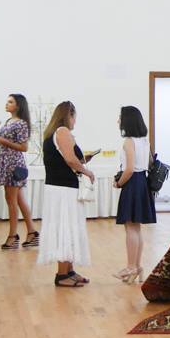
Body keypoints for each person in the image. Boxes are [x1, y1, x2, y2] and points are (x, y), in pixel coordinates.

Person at [39, 101, 95, 288]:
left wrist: (83, 161)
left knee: (69, 227)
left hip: (60, 188)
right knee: (66, 228)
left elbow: (66, 159)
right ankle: (62, 274)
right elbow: (70, 160)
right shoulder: (62, 131)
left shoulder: (54, 133)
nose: (75, 122)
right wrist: (87, 171)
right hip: (63, 190)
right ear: (69, 115)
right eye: (74, 117)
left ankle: (69, 270)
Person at [113, 105, 157, 282]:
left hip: (132, 184)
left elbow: (129, 169)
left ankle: (131, 267)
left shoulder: (129, 142)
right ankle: (137, 266)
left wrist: (118, 183)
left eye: (120, 117)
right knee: (136, 228)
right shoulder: (144, 141)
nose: (118, 120)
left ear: (127, 121)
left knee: (130, 227)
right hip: (142, 183)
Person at [0, 94, 38, 250]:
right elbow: (6, 144)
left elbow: (24, 147)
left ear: (18, 105)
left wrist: (3, 141)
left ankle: (13, 236)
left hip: (13, 164)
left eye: (10, 102)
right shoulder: (9, 121)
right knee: (18, 200)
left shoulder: (21, 123)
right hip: (6, 161)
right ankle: (32, 232)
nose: (7, 104)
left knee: (11, 200)